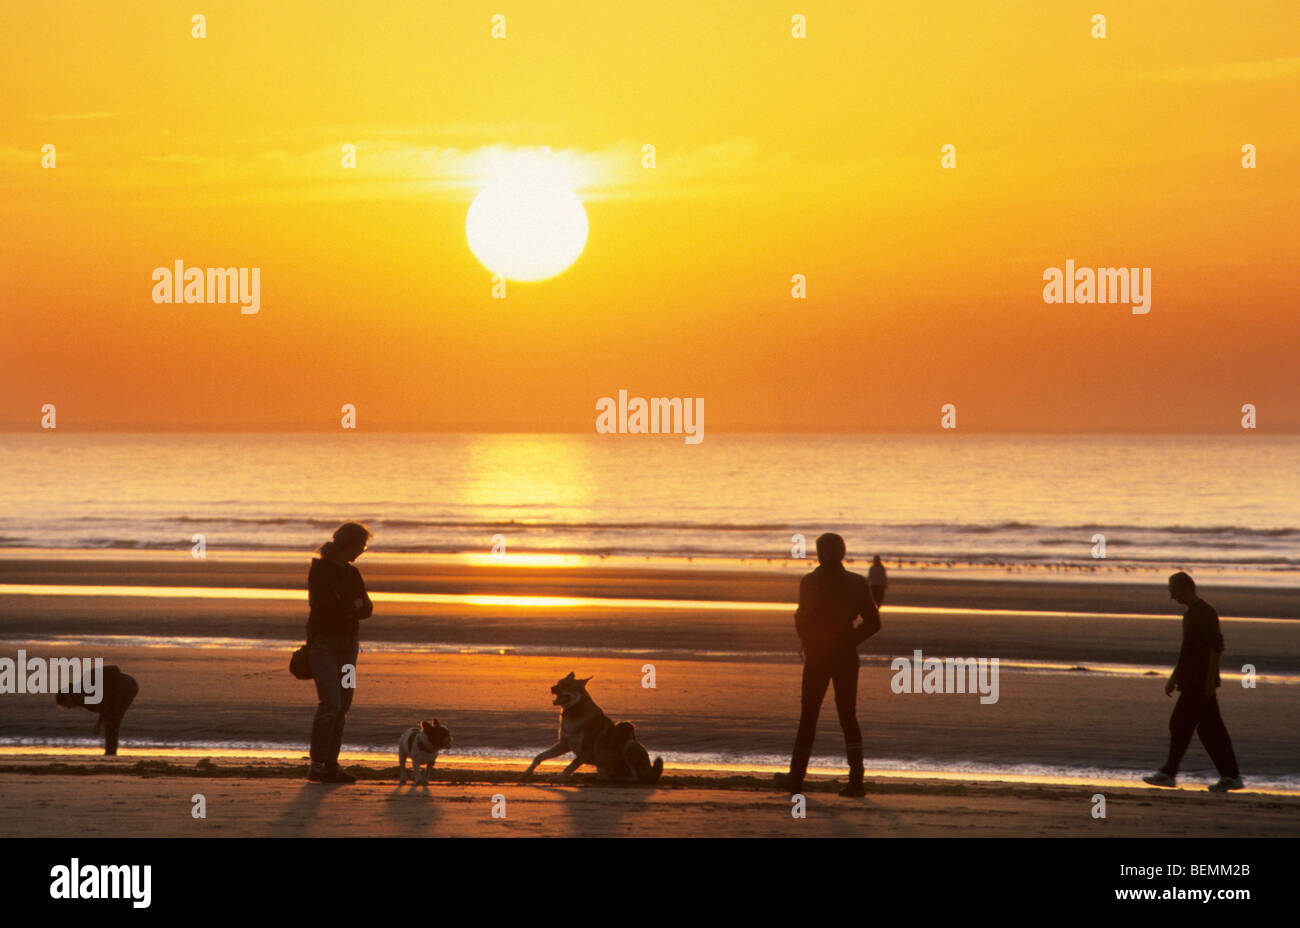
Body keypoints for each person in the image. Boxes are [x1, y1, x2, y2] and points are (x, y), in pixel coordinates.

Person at [775, 533, 881, 797]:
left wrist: (809, 642)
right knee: (848, 716)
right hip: (845, 655)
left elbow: (802, 618)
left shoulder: (809, 582)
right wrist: (849, 640)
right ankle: (856, 781)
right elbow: (873, 623)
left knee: (808, 717)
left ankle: (796, 779)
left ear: (819, 554)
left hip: (818, 655)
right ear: (843, 553)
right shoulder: (857, 582)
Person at [1142, 571, 1243, 792]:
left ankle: (1169, 773)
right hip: (1189, 680)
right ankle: (1231, 776)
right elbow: (1186, 651)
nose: (1171, 596)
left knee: (1180, 723)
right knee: (1210, 729)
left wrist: (1209, 680)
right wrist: (1173, 677)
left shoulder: (1205, 613)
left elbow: (1216, 647)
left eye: (1173, 591)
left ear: (1186, 588)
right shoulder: (1189, 615)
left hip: (1199, 682)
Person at [306, 521, 373, 784]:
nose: (362, 551)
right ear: (348, 544)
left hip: (349, 647)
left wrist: (351, 605)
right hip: (323, 644)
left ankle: (331, 765)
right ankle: (316, 764)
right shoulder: (320, 571)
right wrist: (351, 605)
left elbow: (367, 608)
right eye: (361, 546)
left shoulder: (352, 573)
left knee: (343, 705)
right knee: (330, 703)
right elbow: (325, 607)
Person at [55, 665, 138, 756]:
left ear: (67, 696)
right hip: (128, 684)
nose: (68, 707)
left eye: (65, 704)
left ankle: (110, 753)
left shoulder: (80, 696)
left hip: (125, 689)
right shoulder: (80, 691)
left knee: (112, 723)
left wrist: (100, 723)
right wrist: (101, 722)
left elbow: (103, 705)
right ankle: (110, 753)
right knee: (111, 722)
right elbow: (103, 706)